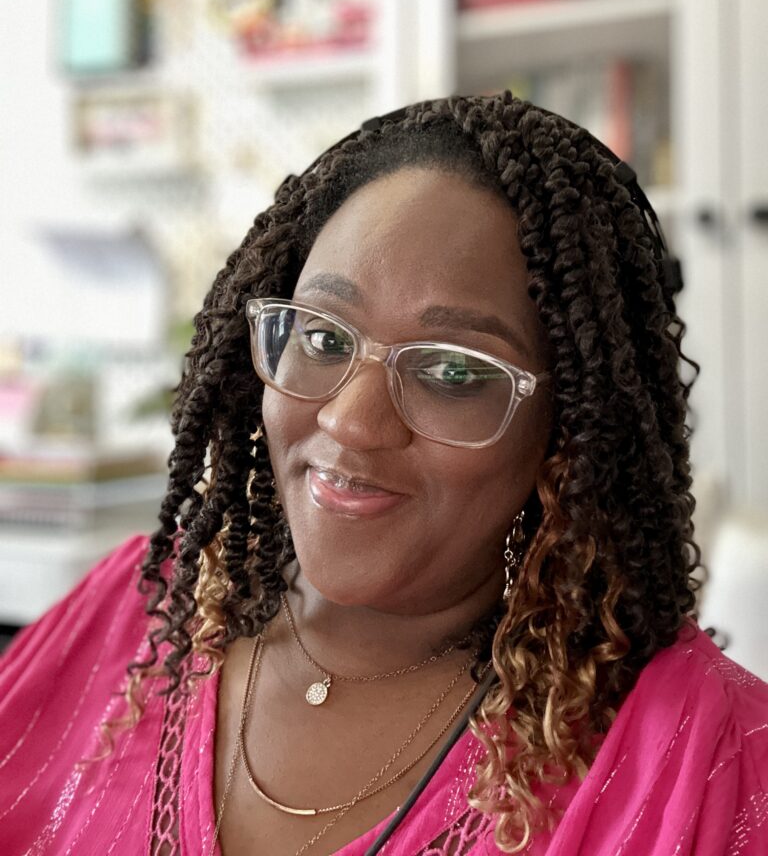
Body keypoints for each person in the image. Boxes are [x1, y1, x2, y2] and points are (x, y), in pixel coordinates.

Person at [1, 92, 766, 856]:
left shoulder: (702, 758)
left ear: (566, 431)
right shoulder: (131, 614)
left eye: (452, 371)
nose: (350, 422)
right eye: (324, 339)